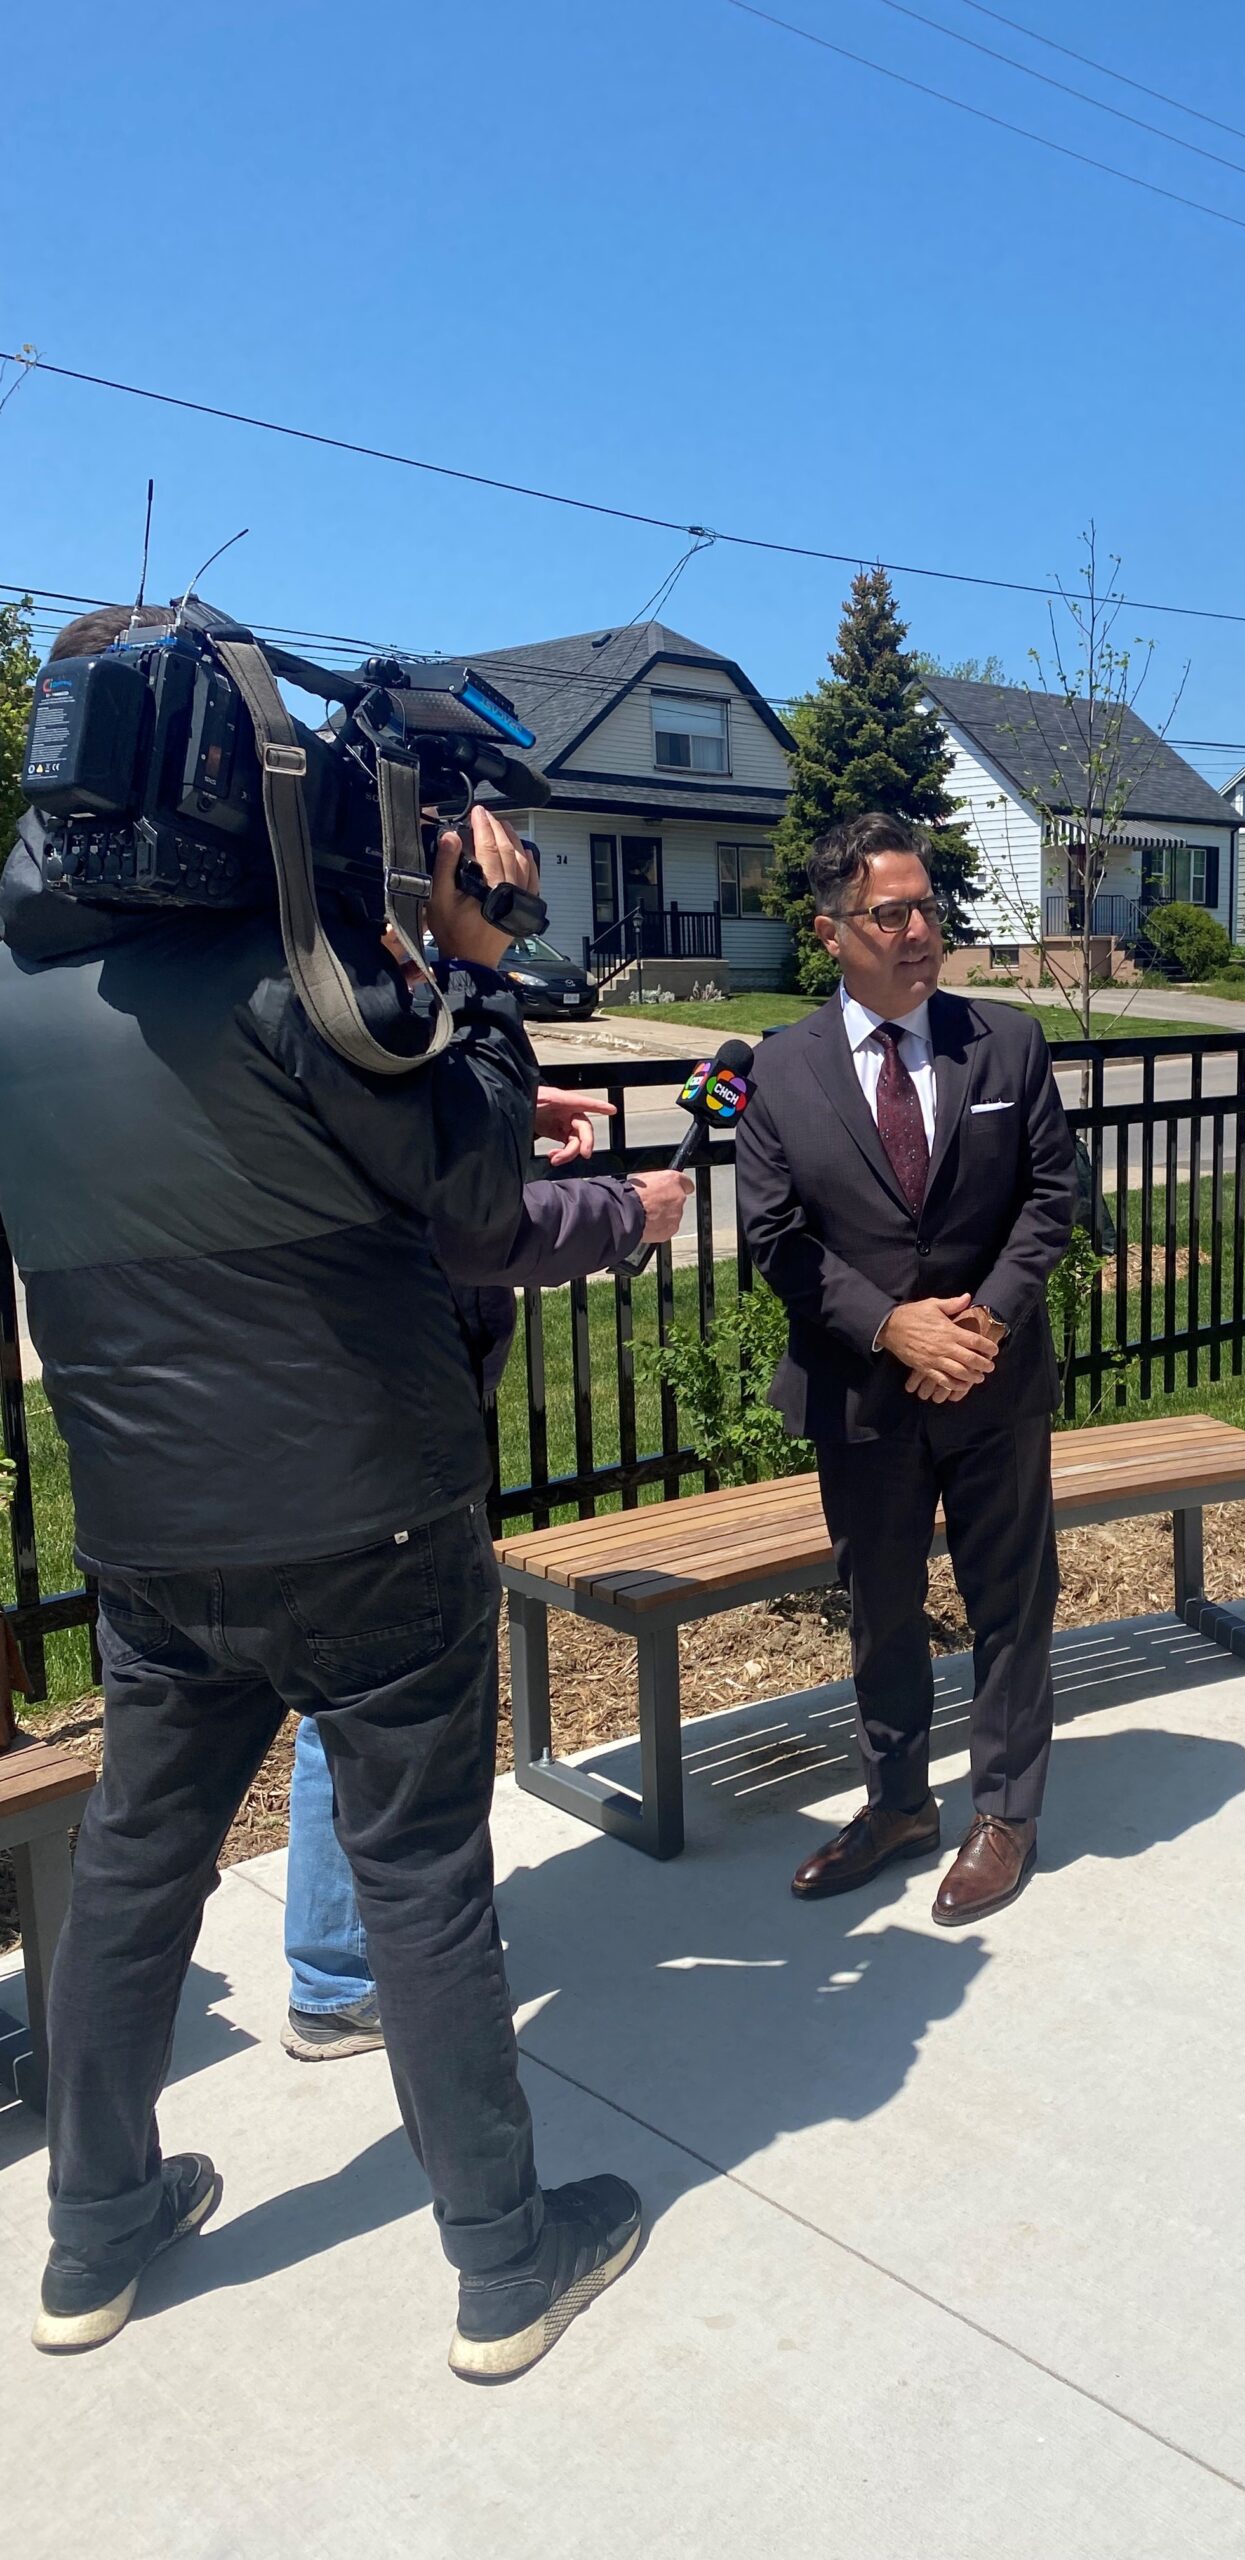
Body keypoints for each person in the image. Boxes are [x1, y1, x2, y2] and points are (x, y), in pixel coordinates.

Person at [0, 606, 640, 2380]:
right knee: (422, 1876)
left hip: (143, 1531)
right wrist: (480, 958)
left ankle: (91, 2238)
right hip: (370, 1521)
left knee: (137, 1874)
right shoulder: (308, 992)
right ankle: (504, 2260)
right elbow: (479, 1197)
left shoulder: (12, 994)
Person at [282, 1140, 695, 2059]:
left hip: (347, 1429)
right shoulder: (367, 1046)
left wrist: (511, 1143)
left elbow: (452, 1202)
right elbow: (471, 1232)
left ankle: (338, 1968)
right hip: (391, 1438)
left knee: (349, 1700)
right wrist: (625, 1208)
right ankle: (349, 1980)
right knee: (387, 1704)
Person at [735, 812, 1076, 1922]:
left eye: (929, 906)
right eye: (893, 912)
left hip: (994, 1377)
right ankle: (896, 1803)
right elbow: (775, 1236)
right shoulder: (778, 1069)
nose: (922, 928)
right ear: (833, 929)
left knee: (1010, 1598)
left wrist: (977, 1323)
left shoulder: (1006, 1043)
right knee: (881, 1605)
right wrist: (892, 1328)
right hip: (863, 1388)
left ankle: (1005, 1810)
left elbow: (1049, 1199)